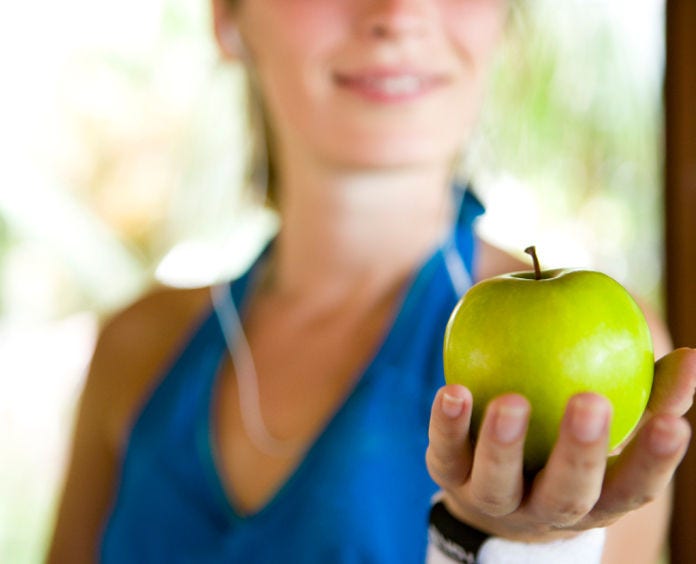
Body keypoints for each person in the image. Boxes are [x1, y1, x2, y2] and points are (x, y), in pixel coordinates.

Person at [47, 1, 696, 562]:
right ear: (226, 16)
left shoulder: (611, 361)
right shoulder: (137, 348)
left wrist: (512, 555)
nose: (399, 15)